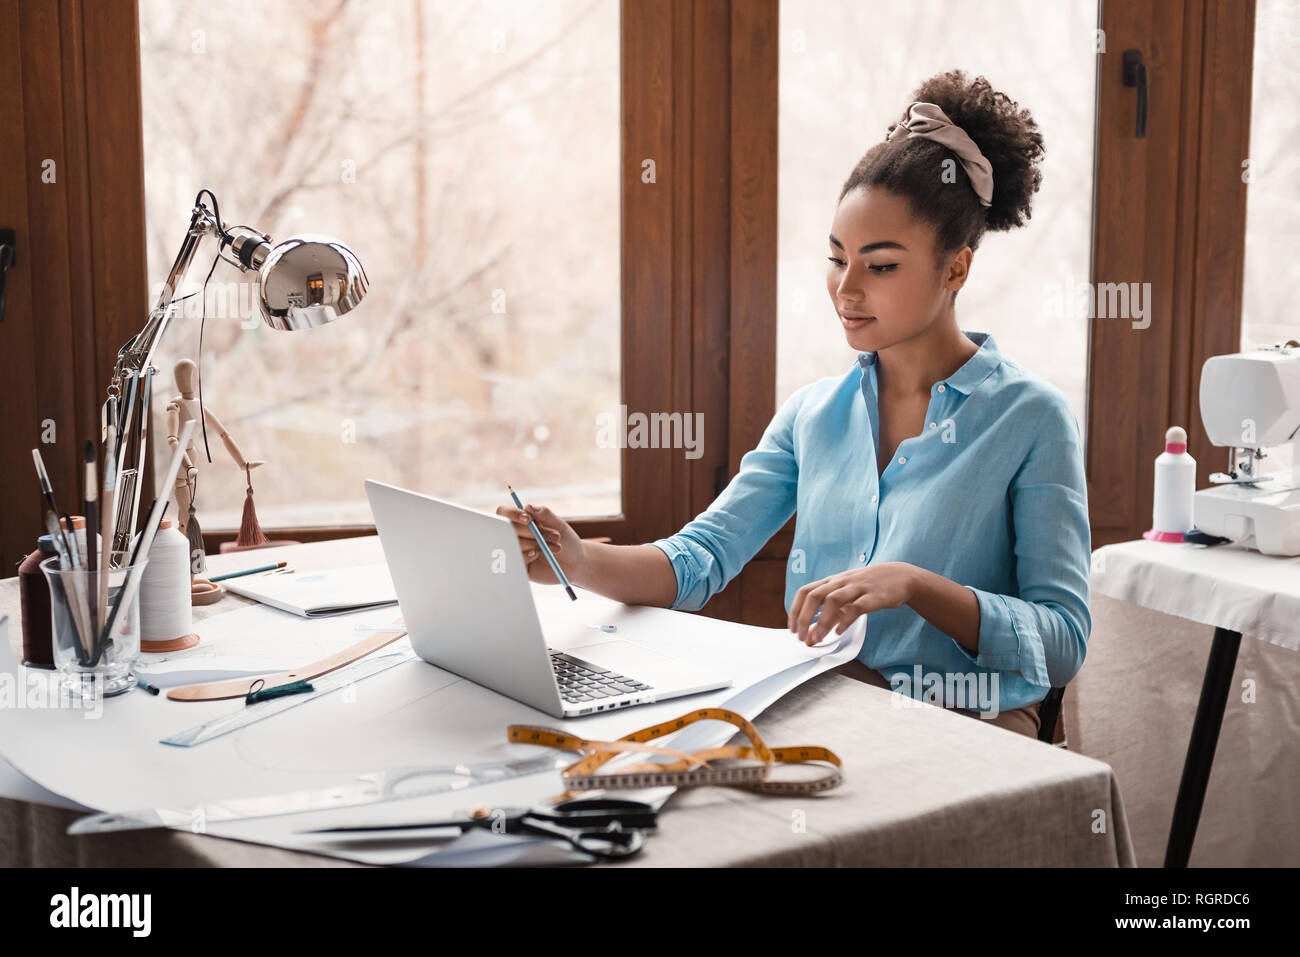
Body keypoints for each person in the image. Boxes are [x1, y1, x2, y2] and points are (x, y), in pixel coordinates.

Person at [497, 70, 1090, 741]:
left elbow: (1065, 640)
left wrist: (916, 585)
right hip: (827, 706)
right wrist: (578, 560)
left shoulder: (1032, 419)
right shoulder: (815, 414)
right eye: (838, 260)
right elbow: (700, 559)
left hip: (969, 722)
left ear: (955, 269)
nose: (847, 289)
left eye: (882, 265)